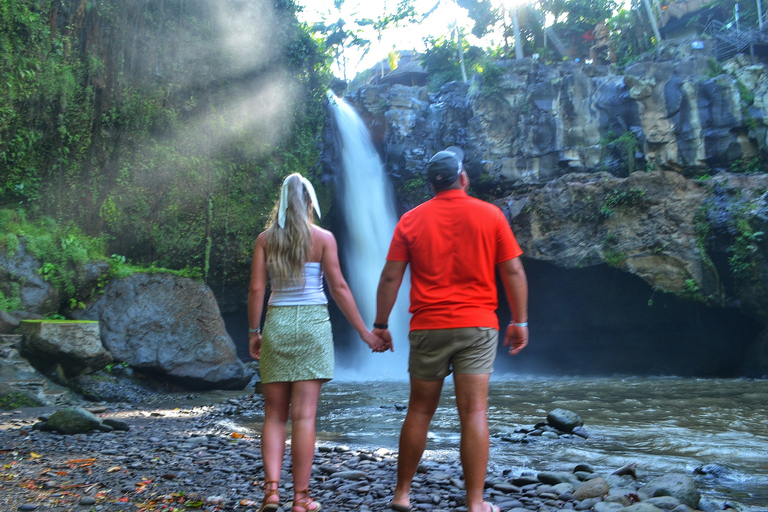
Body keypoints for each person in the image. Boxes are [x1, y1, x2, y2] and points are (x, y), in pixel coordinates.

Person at [373, 147, 529, 512]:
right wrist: (519, 322)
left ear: (431, 184)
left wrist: (381, 324)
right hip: (477, 326)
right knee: (474, 412)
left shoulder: (411, 220)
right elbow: (514, 271)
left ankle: (402, 495)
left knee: (419, 410)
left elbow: (391, 275)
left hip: (428, 326)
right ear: (464, 177)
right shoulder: (490, 215)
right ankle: (475, 503)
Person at [248, 173, 386, 512]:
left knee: (275, 415)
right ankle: (301, 498)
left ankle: (271, 492)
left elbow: (256, 290)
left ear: (280, 203)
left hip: (278, 322)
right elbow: (338, 288)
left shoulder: (265, 240)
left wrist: (254, 331)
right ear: (310, 204)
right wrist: (365, 333)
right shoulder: (323, 238)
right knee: (305, 417)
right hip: (312, 324)